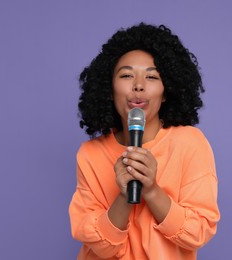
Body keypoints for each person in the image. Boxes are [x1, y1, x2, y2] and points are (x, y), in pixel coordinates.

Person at [69, 22, 220, 259]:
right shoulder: (90, 154)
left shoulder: (190, 143)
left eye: (151, 76)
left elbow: (198, 231)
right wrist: (123, 195)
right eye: (127, 75)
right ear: (109, 89)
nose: (138, 85)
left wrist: (151, 190)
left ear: (166, 90)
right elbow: (100, 246)